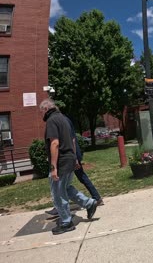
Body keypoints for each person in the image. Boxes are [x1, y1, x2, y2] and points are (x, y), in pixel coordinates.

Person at [39, 98, 98, 235]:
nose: (41, 114)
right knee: (66, 187)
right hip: (70, 159)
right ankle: (89, 203)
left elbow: (55, 143)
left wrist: (53, 167)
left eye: (41, 111)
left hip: (61, 162)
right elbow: (72, 139)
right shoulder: (64, 118)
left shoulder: (51, 121)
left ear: (46, 109)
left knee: (58, 193)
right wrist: (75, 157)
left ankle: (66, 222)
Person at [45, 115, 103, 216]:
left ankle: (65, 217)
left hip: (69, 158)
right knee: (66, 186)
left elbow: (70, 140)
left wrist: (75, 158)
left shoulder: (60, 121)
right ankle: (90, 202)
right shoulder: (65, 120)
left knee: (63, 185)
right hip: (71, 156)